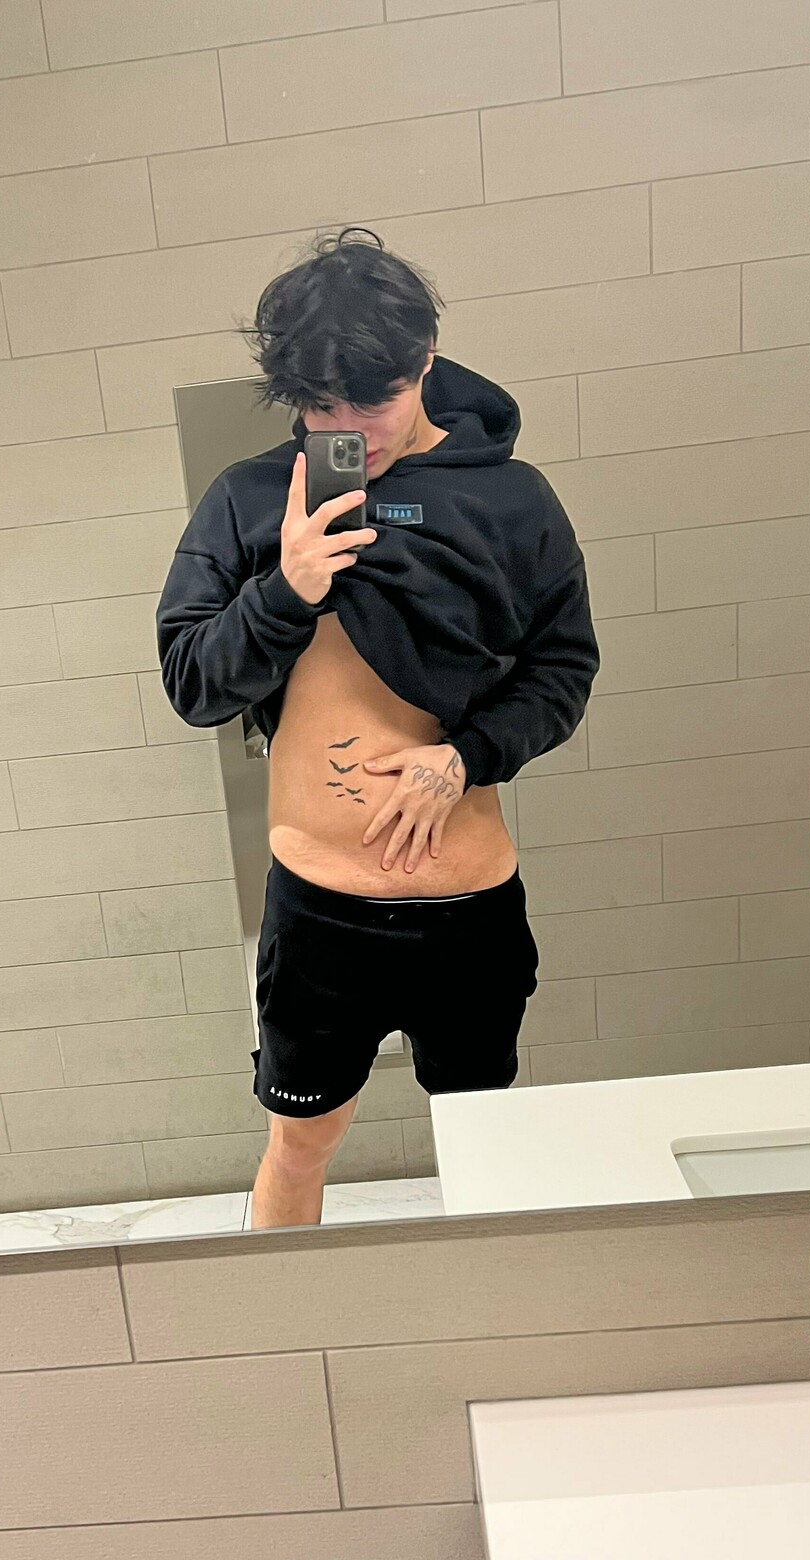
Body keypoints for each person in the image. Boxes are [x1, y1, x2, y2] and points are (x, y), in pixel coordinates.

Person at [157, 226, 599, 1229]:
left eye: (375, 399)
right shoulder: (253, 499)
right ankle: (283, 1322)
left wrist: (463, 759)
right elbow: (193, 684)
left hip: (468, 907)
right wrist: (287, 588)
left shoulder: (511, 499)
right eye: (322, 406)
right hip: (322, 912)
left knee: (486, 1147)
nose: (351, 426)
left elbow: (563, 670)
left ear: (425, 361)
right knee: (299, 1146)